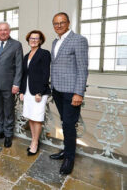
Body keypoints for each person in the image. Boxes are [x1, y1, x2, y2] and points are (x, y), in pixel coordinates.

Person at [49, 12, 88, 175]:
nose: (58, 26)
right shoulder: (54, 41)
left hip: (71, 91)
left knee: (69, 125)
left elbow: (82, 68)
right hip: (57, 89)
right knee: (65, 122)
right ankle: (66, 150)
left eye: (62, 22)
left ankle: (69, 158)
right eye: (56, 23)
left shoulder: (78, 40)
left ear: (68, 23)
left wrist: (78, 93)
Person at [0, 21, 23, 148]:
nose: (2, 32)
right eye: (0, 30)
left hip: (9, 85)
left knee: (8, 110)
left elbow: (19, 66)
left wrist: (16, 84)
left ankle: (8, 135)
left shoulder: (16, 45)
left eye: (5, 30)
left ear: (9, 31)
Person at [19, 30, 51, 156]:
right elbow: (24, 75)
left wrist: (40, 92)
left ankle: (35, 143)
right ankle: (33, 139)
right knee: (30, 117)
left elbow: (45, 74)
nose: (33, 40)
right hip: (27, 90)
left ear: (40, 40)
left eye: (36, 38)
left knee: (37, 118)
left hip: (38, 92)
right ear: (28, 40)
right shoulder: (26, 56)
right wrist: (21, 91)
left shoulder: (44, 54)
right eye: (31, 38)